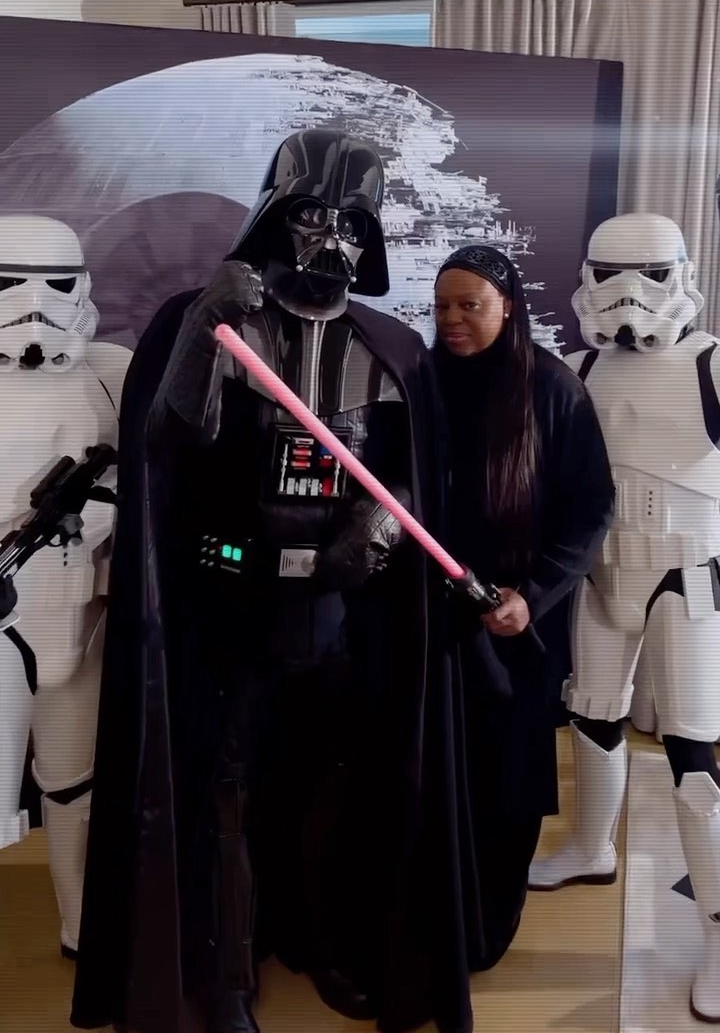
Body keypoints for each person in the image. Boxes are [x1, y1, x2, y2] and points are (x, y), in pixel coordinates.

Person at [71, 130, 494, 1033]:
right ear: (273, 215)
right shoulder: (215, 320)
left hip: (342, 608)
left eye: (351, 221)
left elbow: (419, 474)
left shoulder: (391, 346)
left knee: (334, 780)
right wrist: (202, 331)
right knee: (229, 786)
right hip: (233, 601)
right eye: (310, 214)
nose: (330, 237)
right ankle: (225, 972)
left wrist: (382, 524)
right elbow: (167, 446)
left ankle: (323, 940)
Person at [527, 212, 720, 1024]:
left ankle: (718, 934)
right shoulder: (578, 367)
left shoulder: (710, 364)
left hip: (687, 576)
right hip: (602, 572)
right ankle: (589, 846)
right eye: (609, 275)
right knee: (590, 715)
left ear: (682, 275)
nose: (628, 295)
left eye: (649, 275)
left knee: (695, 759)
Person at [432, 244, 615, 967]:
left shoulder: (553, 389)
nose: (452, 319)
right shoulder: (421, 380)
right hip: (434, 620)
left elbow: (590, 509)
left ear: (507, 307)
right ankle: (438, 909)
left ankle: (487, 925)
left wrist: (531, 598)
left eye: (469, 305)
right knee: (442, 767)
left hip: (514, 624)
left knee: (505, 778)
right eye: (442, 306)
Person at [0, 215, 129, 958]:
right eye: (11, 284)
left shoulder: (108, 373)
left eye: (55, 284)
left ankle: (83, 925)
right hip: (9, 612)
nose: (35, 305)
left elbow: (154, 469)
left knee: (75, 778)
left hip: (77, 609)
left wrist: (102, 509)